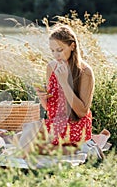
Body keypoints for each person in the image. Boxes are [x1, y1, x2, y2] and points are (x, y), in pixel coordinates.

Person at [34, 24, 95, 155]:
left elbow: (82, 113)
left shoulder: (85, 72)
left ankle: (80, 148)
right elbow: (52, 111)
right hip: (57, 122)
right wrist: (43, 99)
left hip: (77, 125)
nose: (56, 55)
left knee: (32, 142)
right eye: (52, 51)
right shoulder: (51, 67)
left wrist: (64, 82)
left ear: (72, 46)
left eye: (59, 50)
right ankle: (79, 150)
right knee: (26, 140)